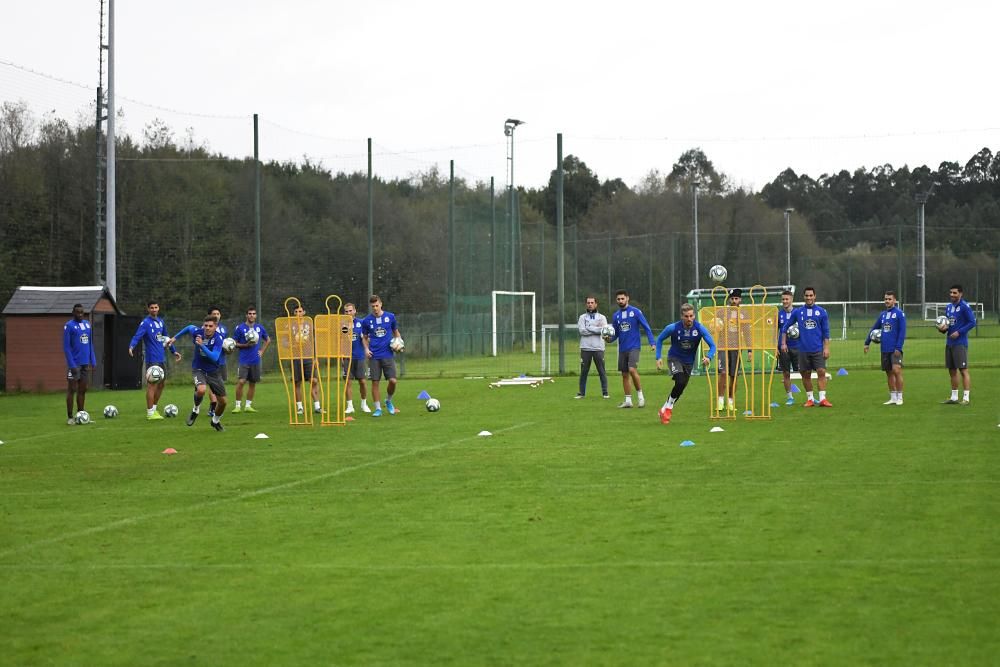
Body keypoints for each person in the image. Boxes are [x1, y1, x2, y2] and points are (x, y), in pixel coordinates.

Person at [655, 303, 716, 424]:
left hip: (689, 362)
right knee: (680, 381)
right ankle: (669, 408)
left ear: (694, 316)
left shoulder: (699, 328)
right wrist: (658, 357)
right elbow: (660, 339)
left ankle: (664, 409)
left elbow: (713, 346)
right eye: (686, 316)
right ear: (682, 317)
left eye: (691, 316)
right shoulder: (673, 328)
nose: (689, 319)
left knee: (681, 387)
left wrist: (708, 357)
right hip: (674, 358)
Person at [169, 315, 227, 431]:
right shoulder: (198, 332)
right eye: (206, 325)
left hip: (213, 371)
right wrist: (174, 338)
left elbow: (215, 357)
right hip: (198, 368)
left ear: (215, 327)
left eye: (211, 326)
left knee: (223, 402)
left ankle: (215, 421)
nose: (208, 328)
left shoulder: (218, 338)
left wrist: (202, 345)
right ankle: (195, 410)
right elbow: (189, 327)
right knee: (201, 389)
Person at [128, 300, 182, 420]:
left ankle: (154, 409)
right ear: (148, 309)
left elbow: (167, 338)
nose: (154, 309)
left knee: (161, 384)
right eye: (151, 307)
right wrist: (131, 346)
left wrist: (174, 351)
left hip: (161, 358)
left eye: (156, 307)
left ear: (159, 308)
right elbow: (137, 336)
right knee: (152, 385)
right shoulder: (145, 323)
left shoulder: (161, 322)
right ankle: (150, 413)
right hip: (152, 359)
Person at [780, 286, 832, 407]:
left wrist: (826, 348)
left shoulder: (822, 312)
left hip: (818, 348)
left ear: (815, 296)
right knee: (805, 374)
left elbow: (826, 332)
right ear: (803, 297)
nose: (809, 298)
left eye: (811, 295)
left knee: (821, 371)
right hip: (802, 349)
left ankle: (823, 399)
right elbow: (785, 327)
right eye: (807, 296)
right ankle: (810, 399)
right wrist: (783, 343)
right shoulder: (798, 312)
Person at [607, 289, 655, 408]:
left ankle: (640, 397)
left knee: (632, 370)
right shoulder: (616, 316)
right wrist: (609, 339)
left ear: (627, 298)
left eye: (622, 298)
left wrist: (652, 342)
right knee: (624, 375)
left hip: (634, 347)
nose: (620, 301)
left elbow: (646, 327)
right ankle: (628, 401)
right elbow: (616, 333)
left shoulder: (636, 312)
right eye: (618, 299)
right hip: (622, 349)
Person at [362, 294, 401, 417]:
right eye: (372, 306)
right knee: (375, 382)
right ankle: (378, 409)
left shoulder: (390, 317)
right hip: (374, 356)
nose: (375, 308)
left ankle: (388, 400)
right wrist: (366, 349)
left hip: (388, 354)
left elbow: (396, 332)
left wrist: (399, 342)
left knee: (393, 381)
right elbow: (364, 337)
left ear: (381, 304)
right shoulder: (366, 320)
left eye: (377, 305)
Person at [864, 290, 906, 405]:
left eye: (889, 299)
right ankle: (893, 397)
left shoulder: (899, 314)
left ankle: (900, 397)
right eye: (886, 299)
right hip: (884, 349)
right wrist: (867, 342)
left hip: (895, 349)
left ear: (894, 300)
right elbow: (874, 329)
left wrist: (898, 347)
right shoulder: (882, 315)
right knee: (889, 373)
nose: (887, 301)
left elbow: (902, 332)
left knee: (896, 371)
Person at [716, 288, 753, 412]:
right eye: (732, 299)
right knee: (723, 373)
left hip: (736, 347)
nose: (734, 301)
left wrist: (749, 350)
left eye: (736, 299)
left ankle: (731, 401)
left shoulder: (744, 314)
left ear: (740, 299)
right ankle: (720, 401)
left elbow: (747, 333)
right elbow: (714, 327)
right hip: (723, 346)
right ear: (729, 299)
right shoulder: (721, 312)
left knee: (734, 375)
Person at [942, 284, 977, 405]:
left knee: (963, 370)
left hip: (960, 343)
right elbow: (947, 323)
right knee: (952, 370)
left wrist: (959, 332)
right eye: (951, 292)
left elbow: (972, 322)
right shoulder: (948, 307)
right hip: (949, 342)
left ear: (960, 294)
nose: (952, 295)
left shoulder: (964, 306)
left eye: (955, 293)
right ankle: (954, 397)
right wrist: (943, 328)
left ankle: (966, 398)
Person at [232, 306, 271, 413]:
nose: (252, 315)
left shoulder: (260, 328)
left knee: (252, 383)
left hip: (255, 360)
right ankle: (238, 406)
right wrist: (245, 345)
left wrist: (262, 351)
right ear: (246, 315)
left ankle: (248, 406)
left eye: (253, 314)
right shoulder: (240, 328)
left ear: (256, 315)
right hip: (244, 360)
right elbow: (234, 343)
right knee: (241, 381)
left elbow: (268, 340)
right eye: (250, 313)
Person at [63, 303, 96, 425]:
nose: (80, 314)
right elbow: (66, 348)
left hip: (85, 363)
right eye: (78, 312)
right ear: (73, 313)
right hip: (74, 364)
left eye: (82, 312)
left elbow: (90, 344)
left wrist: (93, 360)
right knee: (72, 389)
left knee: (83, 390)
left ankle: (81, 415)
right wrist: (71, 365)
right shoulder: (69, 326)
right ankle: (70, 417)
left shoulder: (87, 324)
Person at [288, 305, 323, 415]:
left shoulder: (309, 324)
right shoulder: (290, 326)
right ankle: (300, 407)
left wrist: (315, 357)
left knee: (314, 380)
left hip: (308, 356)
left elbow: (315, 342)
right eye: (296, 311)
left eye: (300, 311)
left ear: (304, 312)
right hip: (296, 357)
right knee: (297, 383)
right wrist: (292, 345)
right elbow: (284, 341)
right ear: (294, 313)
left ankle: (317, 406)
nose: (299, 313)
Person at [576, 296, 610, 399]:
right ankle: (581, 393)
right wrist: (597, 329)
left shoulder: (602, 317)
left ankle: (605, 393)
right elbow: (582, 331)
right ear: (586, 304)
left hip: (598, 348)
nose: (590, 304)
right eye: (588, 302)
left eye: (592, 302)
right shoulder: (582, 317)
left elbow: (604, 330)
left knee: (601, 371)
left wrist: (590, 328)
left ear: (596, 304)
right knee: (584, 372)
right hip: (585, 348)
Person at [343, 302, 371, 415]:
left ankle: (364, 404)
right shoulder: (342, 325)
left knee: (362, 382)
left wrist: (365, 339)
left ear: (355, 311)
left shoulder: (361, 323)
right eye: (346, 311)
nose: (349, 313)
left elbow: (368, 339)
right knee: (347, 382)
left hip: (359, 357)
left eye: (350, 310)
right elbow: (340, 341)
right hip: (347, 357)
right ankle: (350, 406)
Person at [776, 290, 799, 406]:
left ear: (791, 300)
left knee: (805, 372)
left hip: (798, 348)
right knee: (785, 373)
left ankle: (810, 397)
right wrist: (776, 347)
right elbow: (775, 332)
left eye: (787, 299)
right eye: (783, 299)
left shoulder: (798, 313)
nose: (785, 301)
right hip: (783, 348)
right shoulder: (779, 314)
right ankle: (790, 397)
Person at [208, 307, 230, 416]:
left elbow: (226, 344)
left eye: (218, 313)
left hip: (222, 361)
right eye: (214, 313)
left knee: (220, 384)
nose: (216, 315)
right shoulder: (207, 328)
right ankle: (212, 407)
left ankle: (217, 406)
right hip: (212, 361)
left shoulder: (223, 329)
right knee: (213, 385)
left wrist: (228, 348)